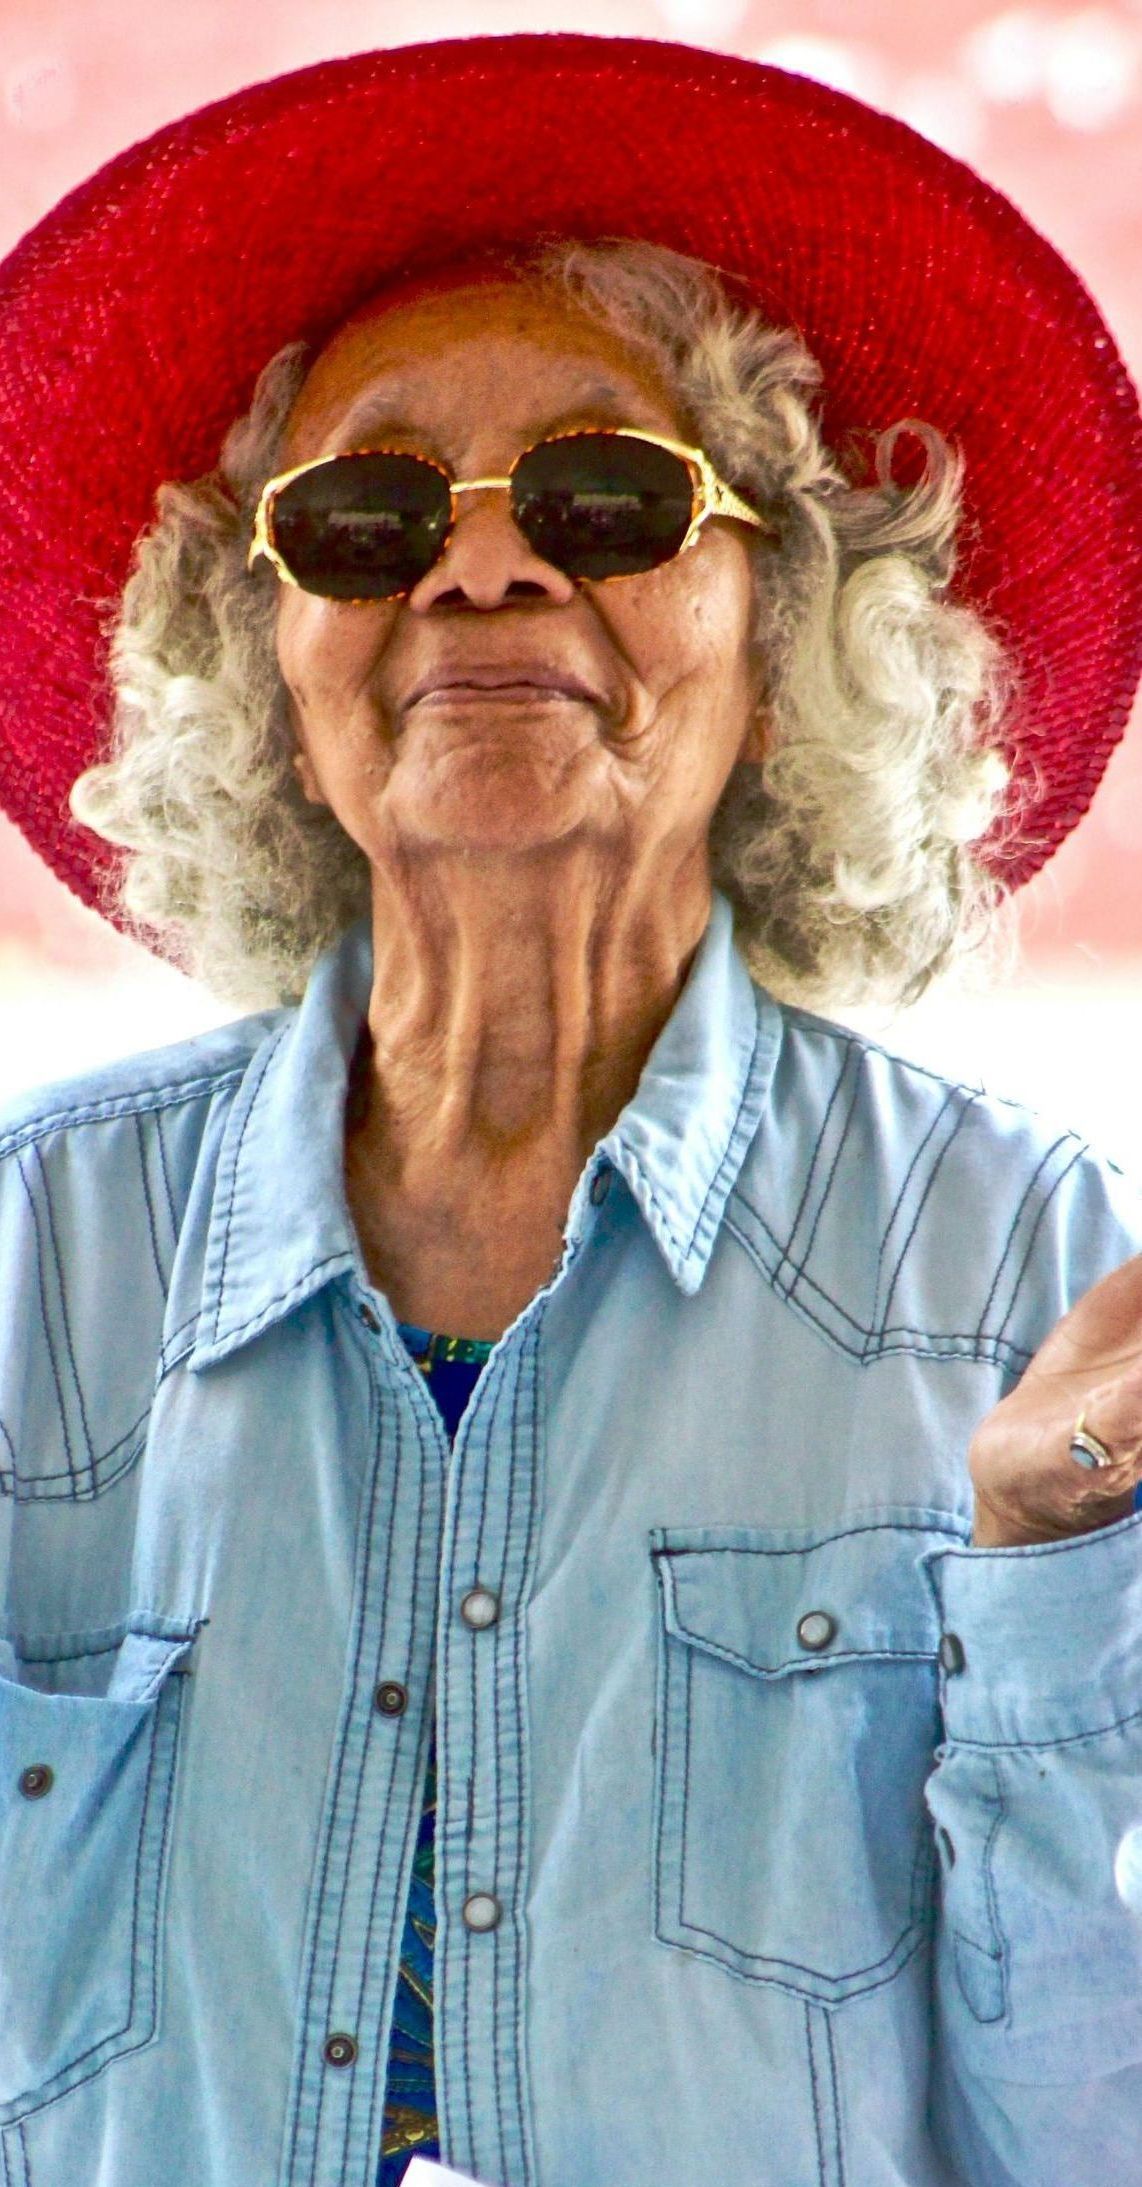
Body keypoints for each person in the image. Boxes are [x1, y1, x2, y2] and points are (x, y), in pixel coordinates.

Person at [0, 33, 1141, 2187]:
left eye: (605, 500)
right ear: (260, 641)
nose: (482, 570)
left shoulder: (1025, 1267)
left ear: (784, 611)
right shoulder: (26, 1263)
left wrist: (1067, 1574)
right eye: (368, 515)